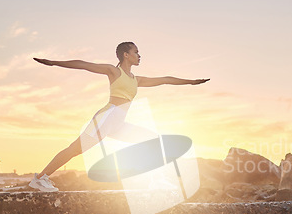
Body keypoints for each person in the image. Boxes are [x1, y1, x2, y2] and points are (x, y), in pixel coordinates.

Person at [29, 42, 209, 192]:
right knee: (76, 149)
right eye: (136, 52)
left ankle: (156, 180)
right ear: (126, 55)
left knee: (152, 139)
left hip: (118, 123)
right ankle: (41, 178)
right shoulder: (114, 71)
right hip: (107, 117)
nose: (139, 55)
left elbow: (166, 79)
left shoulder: (136, 80)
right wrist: (53, 62)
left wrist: (191, 82)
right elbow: (83, 64)